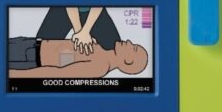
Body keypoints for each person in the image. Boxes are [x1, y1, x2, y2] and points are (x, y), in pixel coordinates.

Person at [8, 37, 147, 78]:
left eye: (134, 48)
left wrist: (14, 75)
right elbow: (66, 57)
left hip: (27, 57)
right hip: (29, 47)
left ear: (128, 61)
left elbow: (57, 73)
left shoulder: (100, 67)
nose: (129, 42)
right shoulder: (101, 51)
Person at [36, 7, 121, 53]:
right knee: (40, 47)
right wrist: (79, 33)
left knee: (114, 47)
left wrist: (85, 31)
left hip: (94, 9)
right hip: (64, 7)